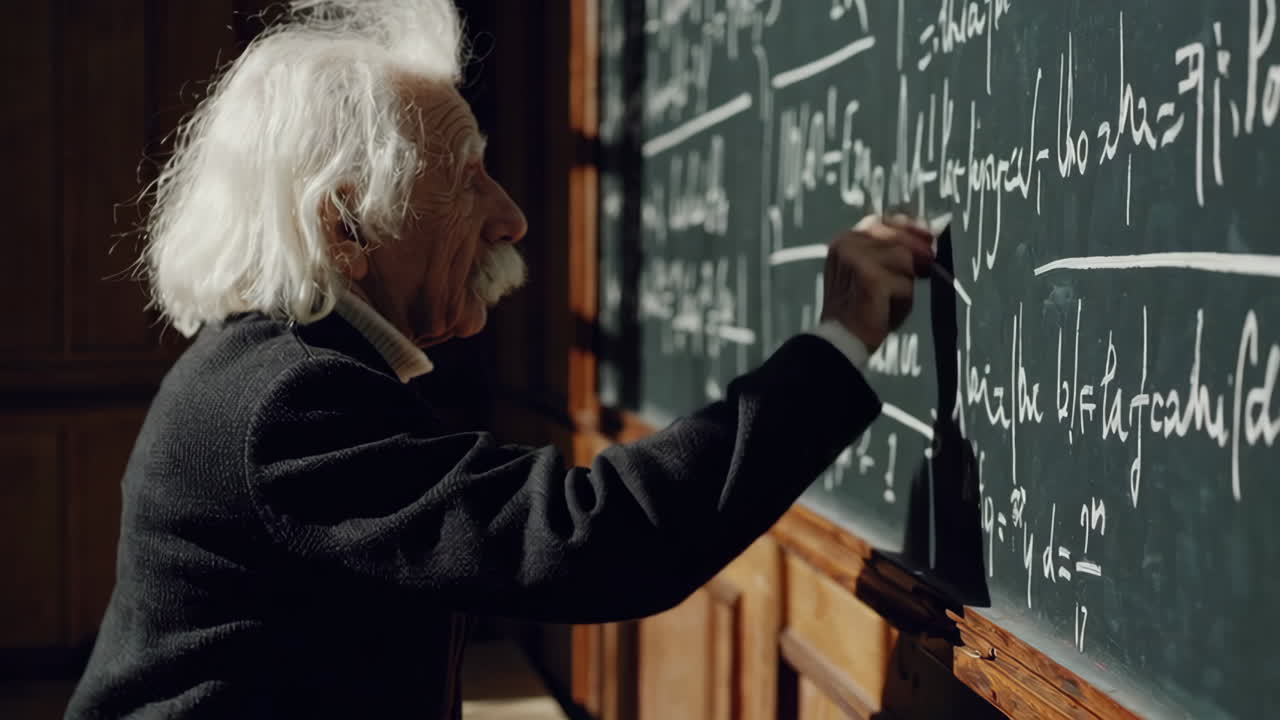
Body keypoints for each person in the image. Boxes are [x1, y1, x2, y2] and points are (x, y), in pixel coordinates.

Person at [66, 1, 935, 718]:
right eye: (466, 175)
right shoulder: (288, 401)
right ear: (345, 223)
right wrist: (839, 344)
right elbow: (592, 539)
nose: (512, 215)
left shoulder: (265, 367)